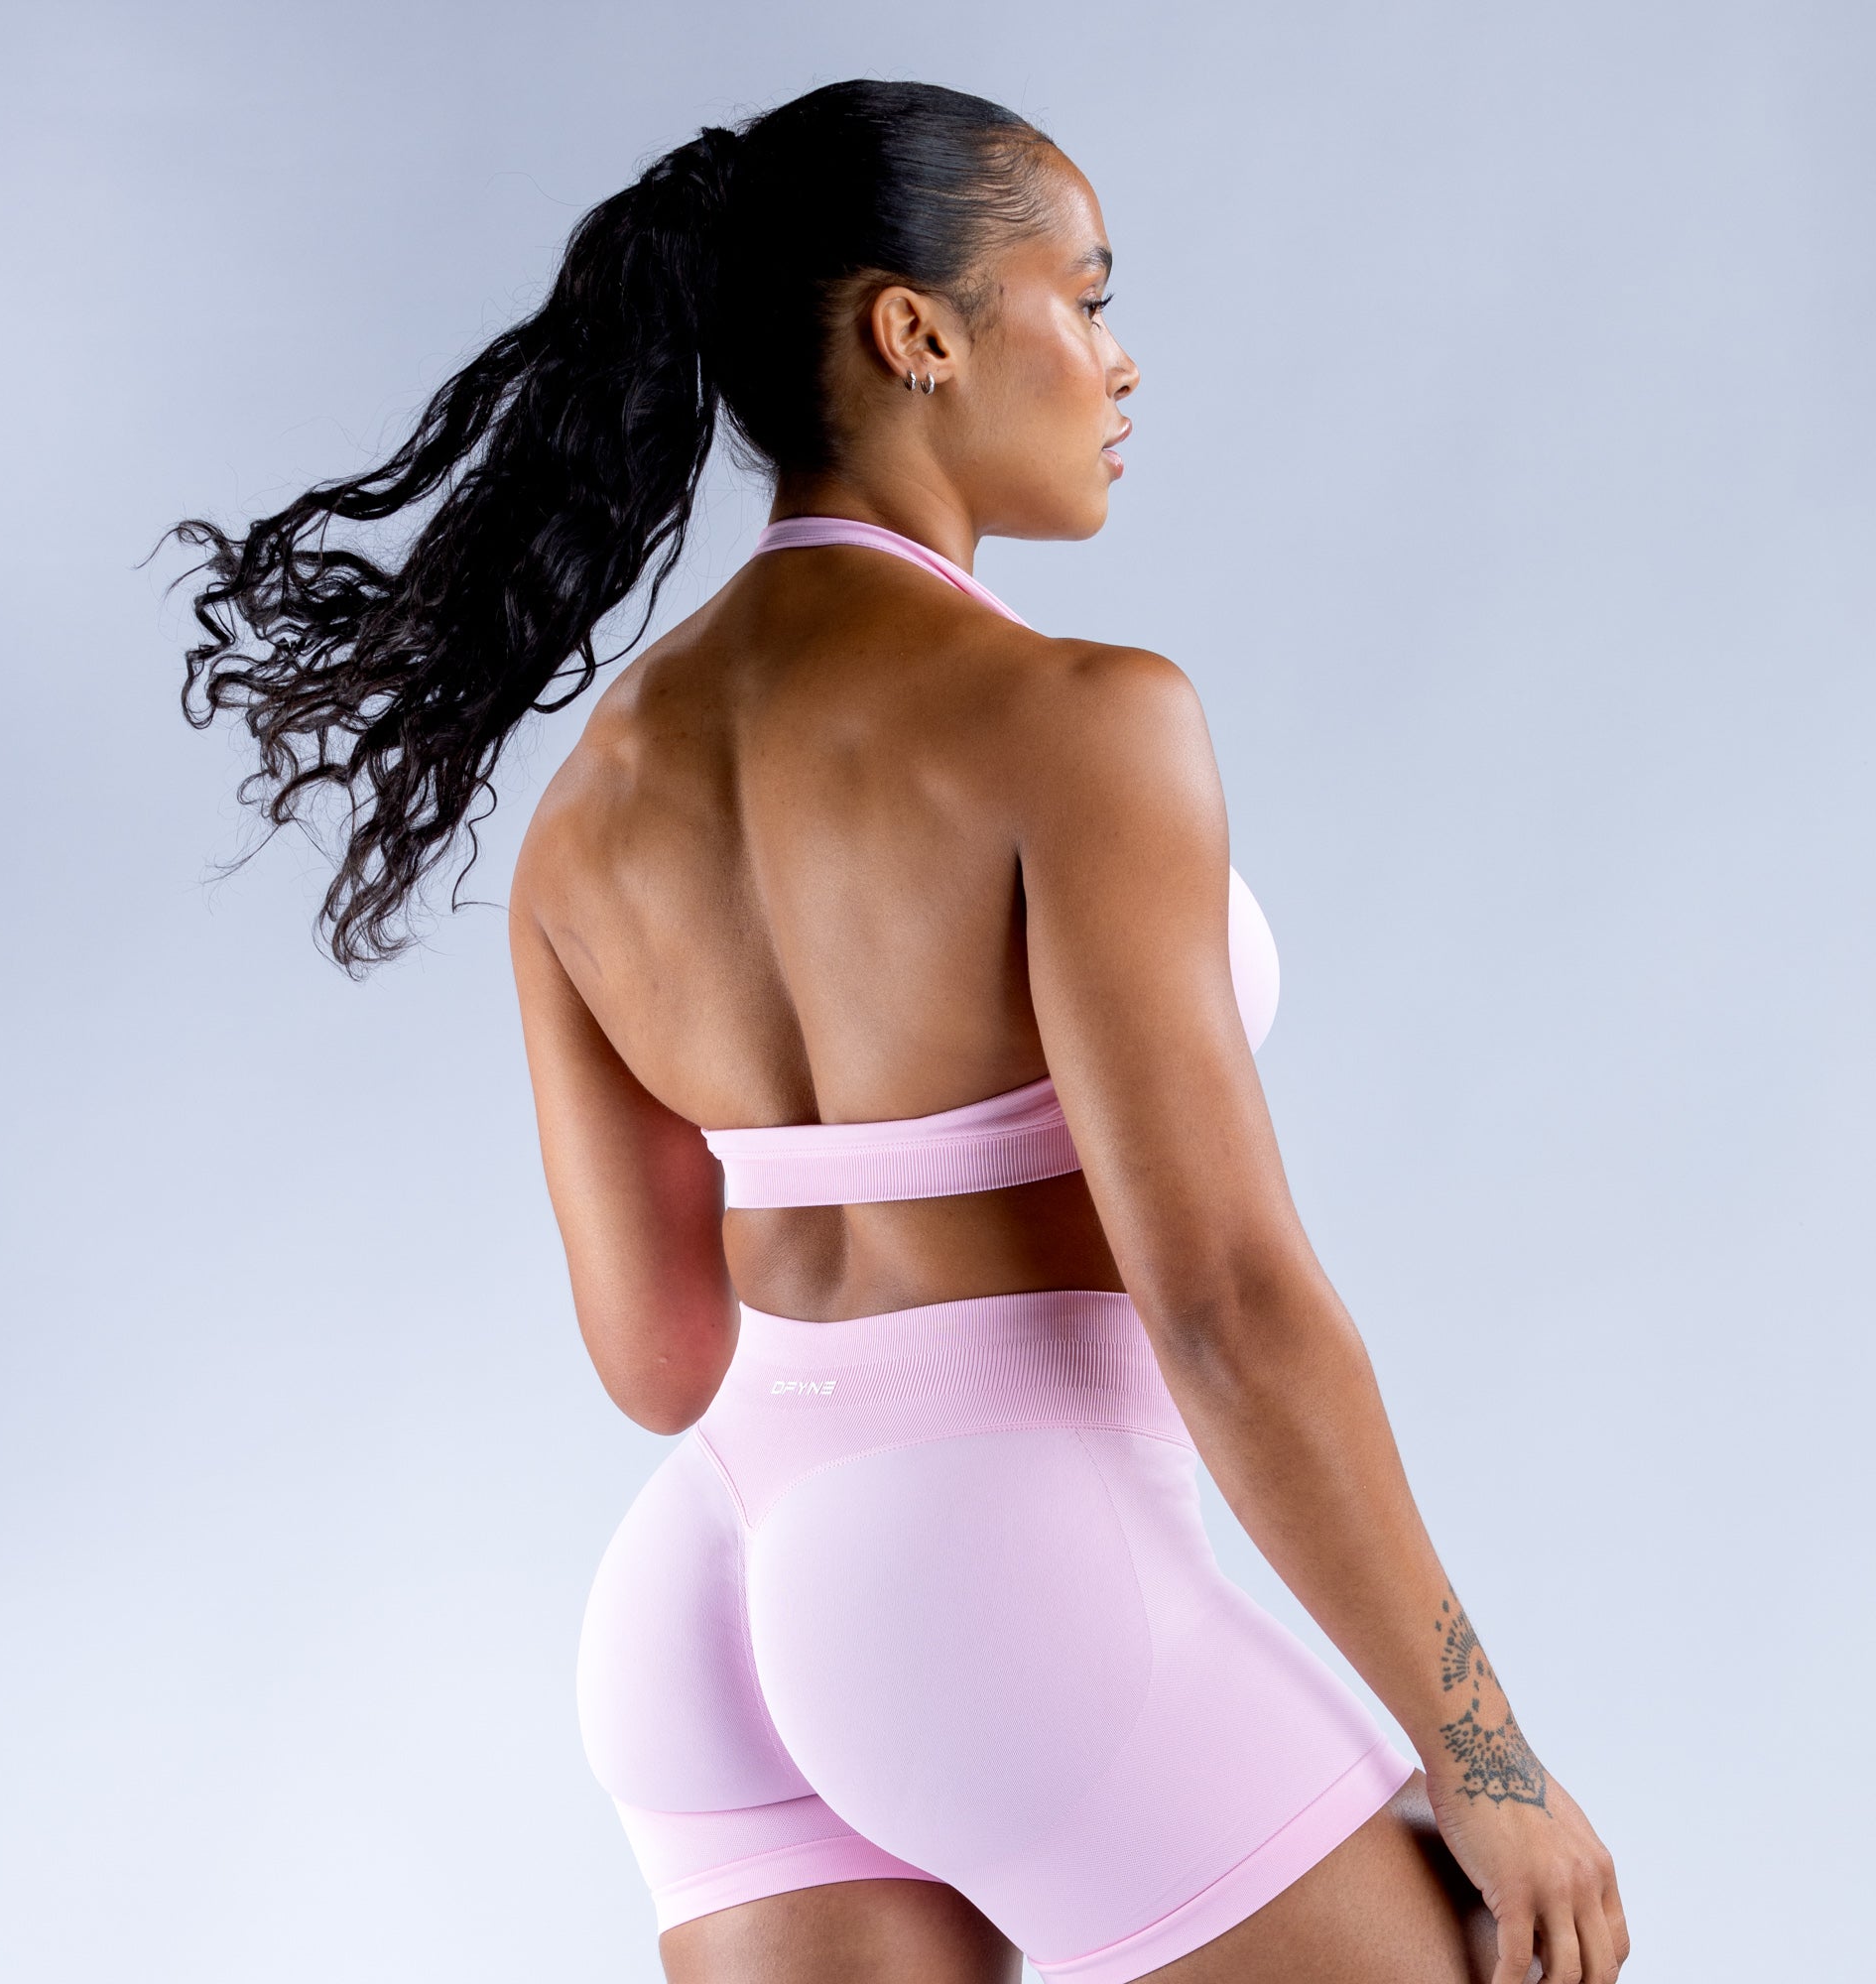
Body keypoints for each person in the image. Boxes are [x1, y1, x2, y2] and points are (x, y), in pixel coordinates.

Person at [170, 77, 1628, 1984]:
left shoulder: (591, 806)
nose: (1118, 361)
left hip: (710, 1599)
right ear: (915, 332)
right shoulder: (1083, 722)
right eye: (1085, 297)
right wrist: (1486, 1758)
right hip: (1003, 1592)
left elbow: (659, 1357)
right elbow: (1225, 1301)